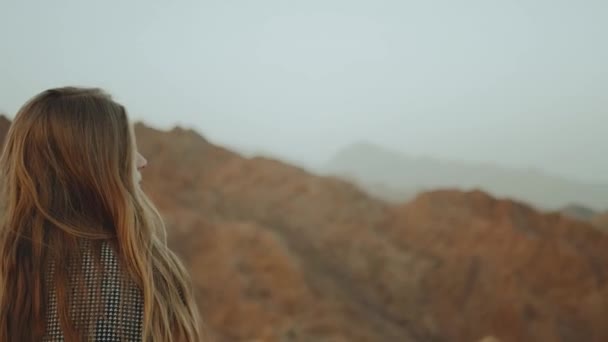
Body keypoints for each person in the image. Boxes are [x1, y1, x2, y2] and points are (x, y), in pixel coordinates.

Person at [0, 87, 202, 341]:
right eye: (125, 151)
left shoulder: (16, 262)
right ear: (95, 170)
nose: (141, 161)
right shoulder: (119, 281)